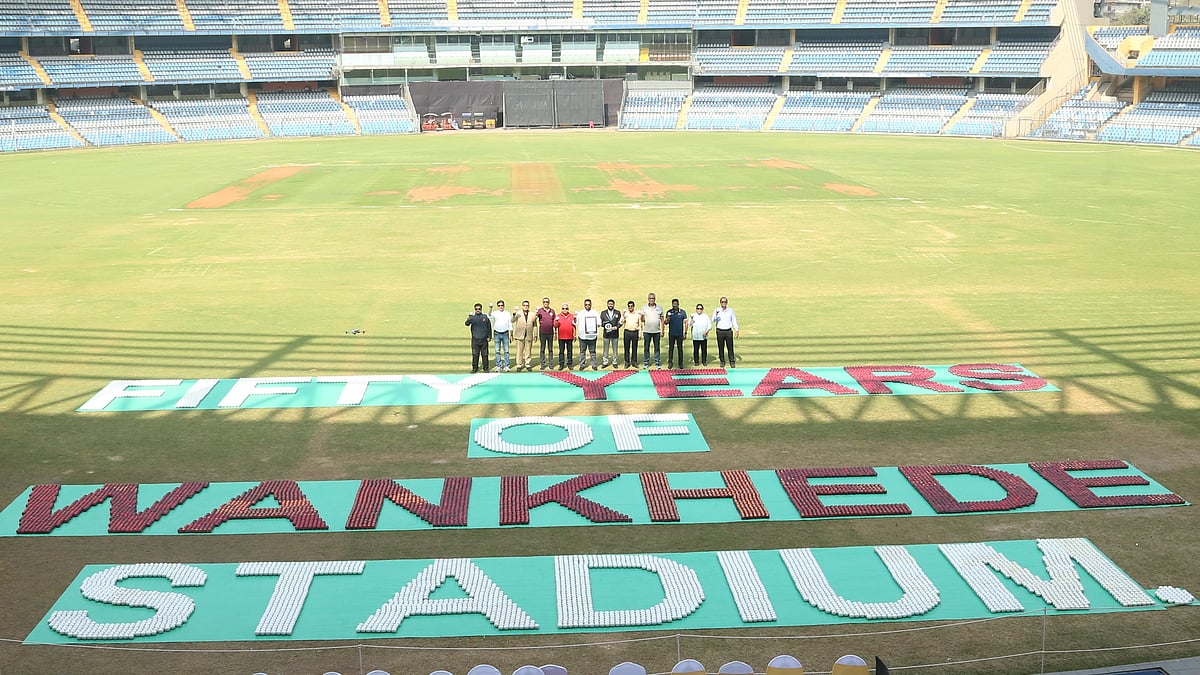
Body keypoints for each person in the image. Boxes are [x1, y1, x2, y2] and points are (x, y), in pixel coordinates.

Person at [713, 295, 739, 368]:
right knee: (721, 347)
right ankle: (722, 361)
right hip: (720, 331)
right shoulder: (717, 310)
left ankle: (732, 361)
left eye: (725, 302)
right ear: (720, 303)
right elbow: (713, 320)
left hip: (728, 331)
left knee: (730, 347)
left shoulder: (730, 310)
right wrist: (716, 314)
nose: (723, 303)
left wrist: (736, 329)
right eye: (722, 302)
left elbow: (733, 320)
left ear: (727, 302)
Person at [464, 303, 492, 373]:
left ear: (481, 309)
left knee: (485, 355)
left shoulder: (485, 317)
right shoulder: (472, 318)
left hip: (484, 340)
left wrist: (489, 336)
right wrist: (469, 318)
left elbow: (489, 327)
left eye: (479, 309)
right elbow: (466, 324)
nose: (478, 310)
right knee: (475, 355)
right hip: (475, 340)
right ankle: (474, 368)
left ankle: (486, 368)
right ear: (475, 310)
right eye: (476, 309)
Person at [510, 299, 536, 371]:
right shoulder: (518, 313)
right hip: (519, 335)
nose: (526, 307)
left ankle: (527, 364)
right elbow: (512, 321)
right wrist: (514, 314)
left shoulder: (532, 314)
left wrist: (535, 334)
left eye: (527, 305)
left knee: (528, 351)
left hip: (529, 334)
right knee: (519, 351)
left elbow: (535, 324)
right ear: (522, 306)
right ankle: (519, 365)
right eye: (524, 305)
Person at [575, 298, 601, 370]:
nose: (587, 306)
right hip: (582, 336)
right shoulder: (580, 313)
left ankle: (594, 365)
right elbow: (575, 323)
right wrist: (575, 317)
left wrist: (596, 325)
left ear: (591, 305)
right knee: (582, 351)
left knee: (592, 352)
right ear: (584, 305)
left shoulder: (595, 313)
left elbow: (599, 323)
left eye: (589, 304)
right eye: (586, 304)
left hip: (592, 336)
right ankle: (582, 365)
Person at [641, 292, 664, 369]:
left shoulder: (659, 308)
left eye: (653, 298)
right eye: (650, 298)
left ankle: (657, 363)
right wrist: (641, 316)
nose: (652, 300)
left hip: (656, 331)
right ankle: (646, 362)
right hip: (647, 331)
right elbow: (642, 320)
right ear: (648, 299)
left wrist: (662, 330)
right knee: (646, 347)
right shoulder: (644, 307)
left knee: (657, 347)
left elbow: (662, 320)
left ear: (655, 299)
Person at [490, 299, 513, 372]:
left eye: (502, 305)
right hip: (497, 333)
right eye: (499, 305)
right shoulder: (495, 313)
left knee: (506, 351)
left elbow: (510, 324)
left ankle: (506, 365)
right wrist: (490, 308)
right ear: (497, 306)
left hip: (505, 333)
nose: (501, 307)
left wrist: (511, 334)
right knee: (497, 351)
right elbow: (489, 315)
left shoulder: (507, 313)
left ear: (504, 306)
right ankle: (498, 365)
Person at [664, 298, 688, 369]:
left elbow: (686, 322)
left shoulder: (682, 312)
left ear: (678, 304)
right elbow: (665, 323)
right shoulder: (669, 312)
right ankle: (670, 362)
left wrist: (685, 332)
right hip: (671, 333)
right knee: (671, 349)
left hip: (680, 333)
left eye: (676, 304)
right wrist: (667, 319)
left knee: (680, 348)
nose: (675, 306)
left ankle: (680, 363)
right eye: (673, 304)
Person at [535, 297, 556, 370]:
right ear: (543, 303)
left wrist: (555, 332)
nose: (545, 303)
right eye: (544, 302)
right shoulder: (540, 311)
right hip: (542, 333)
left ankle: (550, 364)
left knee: (550, 349)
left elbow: (554, 322)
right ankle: (542, 364)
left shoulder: (552, 311)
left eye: (547, 302)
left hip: (550, 333)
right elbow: (535, 318)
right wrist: (536, 313)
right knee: (542, 349)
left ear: (549, 303)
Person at [688, 302, 712, 366]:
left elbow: (709, 326)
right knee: (696, 350)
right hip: (695, 336)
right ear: (696, 309)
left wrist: (706, 332)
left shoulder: (705, 316)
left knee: (704, 350)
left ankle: (704, 361)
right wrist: (691, 319)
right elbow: (690, 324)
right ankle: (696, 361)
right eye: (698, 308)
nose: (699, 310)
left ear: (702, 309)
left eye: (700, 309)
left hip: (703, 336)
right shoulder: (693, 315)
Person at [600, 298, 621, 369]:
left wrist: (616, 327)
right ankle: (605, 362)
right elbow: (601, 323)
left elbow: (620, 322)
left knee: (615, 349)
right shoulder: (603, 313)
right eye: (609, 304)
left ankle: (615, 362)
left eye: (612, 304)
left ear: (614, 305)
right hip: (606, 334)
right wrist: (605, 326)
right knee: (605, 349)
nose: (610, 305)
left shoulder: (617, 312)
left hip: (615, 334)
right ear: (607, 305)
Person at [555, 302, 576, 370]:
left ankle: (569, 364)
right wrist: (556, 321)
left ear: (568, 309)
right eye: (563, 308)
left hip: (569, 337)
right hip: (561, 337)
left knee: (569, 351)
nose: (565, 310)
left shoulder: (572, 316)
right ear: (561, 309)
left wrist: (575, 335)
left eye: (566, 308)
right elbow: (555, 326)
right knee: (561, 351)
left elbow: (574, 326)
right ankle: (561, 364)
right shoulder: (558, 316)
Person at [621, 300, 641, 369]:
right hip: (627, 332)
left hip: (635, 332)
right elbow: (621, 322)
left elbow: (640, 324)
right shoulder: (626, 314)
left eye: (631, 306)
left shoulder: (637, 314)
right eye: (629, 306)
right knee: (626, 348)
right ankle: (627, 362)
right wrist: (623, 315)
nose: (630, 307)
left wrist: (639, 334)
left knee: (634, 348)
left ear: (633, 307)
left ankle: (634, 362)